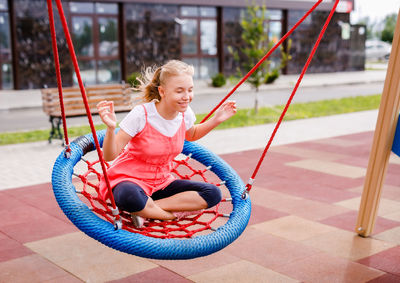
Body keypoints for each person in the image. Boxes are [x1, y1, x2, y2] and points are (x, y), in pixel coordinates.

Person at [97, 60, 237, 228]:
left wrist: (216, 120)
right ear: (162, 91)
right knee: (128, 196)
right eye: (179, 91)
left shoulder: (184, 114)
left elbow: (192, 134)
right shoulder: (142, 114)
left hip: (161, 183)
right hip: (129, 179)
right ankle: (166, 215)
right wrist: (111, 129)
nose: (187, 96)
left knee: (213, 193)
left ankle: (147, 210)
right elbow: (109, 155)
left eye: (190, 90)